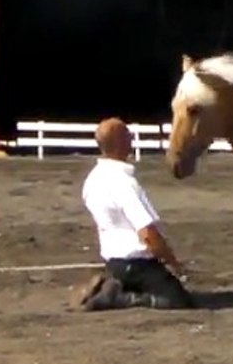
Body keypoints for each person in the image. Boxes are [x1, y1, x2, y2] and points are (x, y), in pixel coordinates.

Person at [74, 117, 195, 311]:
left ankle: (113, 286)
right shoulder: (124, 183)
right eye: (128, 136)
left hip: (113, 261)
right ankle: (121, 298)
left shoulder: (93, 179)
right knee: (177, 300)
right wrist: (173, 263)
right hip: (137, 263)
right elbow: (147, 233)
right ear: (122, 142)